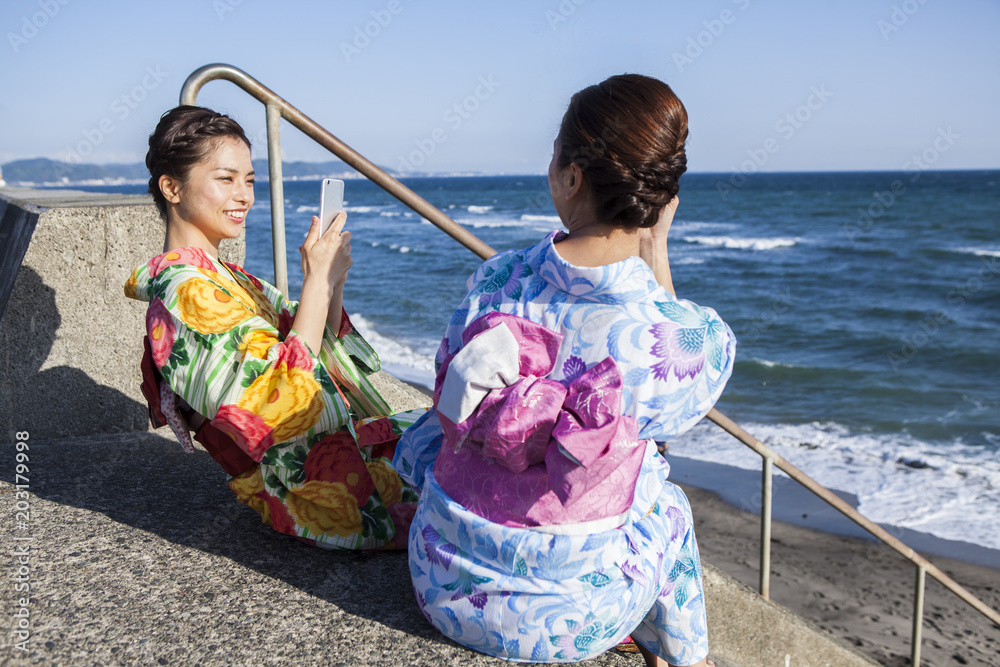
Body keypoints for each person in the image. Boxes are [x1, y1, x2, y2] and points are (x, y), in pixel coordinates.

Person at [392, 74, 735, 666]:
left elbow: (448, 382)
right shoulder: (682, 336)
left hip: (440, 583)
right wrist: (655, 249)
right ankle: (686, 661)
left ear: (571, 175)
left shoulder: (494, 282)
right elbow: (669, 423)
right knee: (666, 499)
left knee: (424, 430)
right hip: (572, 623)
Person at [124, 105, 423, 550]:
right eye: (226, 179)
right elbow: (283, 403)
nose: (243, 195)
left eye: (249, 180)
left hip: (336, 453)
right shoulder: (185, 293)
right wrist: (316, 281)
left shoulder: (228, 277)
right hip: (317, 487)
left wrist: (331, 283)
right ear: (172, 187)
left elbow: (322, 353)